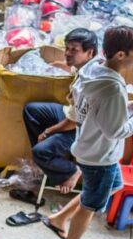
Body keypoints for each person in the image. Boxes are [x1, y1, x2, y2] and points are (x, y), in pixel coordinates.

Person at [47, 26, 133, 239]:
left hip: (92, 147)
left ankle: (59, 218)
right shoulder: (111, 87)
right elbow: (116, 130)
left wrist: (126, 108)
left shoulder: (94, 70)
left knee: (111, 187)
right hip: (100, 155)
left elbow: (98, 111)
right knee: (90, 205)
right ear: (121, 55)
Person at [23, 28, 99, 193]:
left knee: (40, 152)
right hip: (70, 115)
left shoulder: (89, 82)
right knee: (31, 110)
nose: (68, 53)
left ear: (89, 52)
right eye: (67, 48)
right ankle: (47, 156)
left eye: (74, 50)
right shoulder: (86, 66)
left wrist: (48, 132)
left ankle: (70, 170)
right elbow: (75, 70)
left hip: (81, 130)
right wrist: (62, 66)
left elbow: (73, 122)